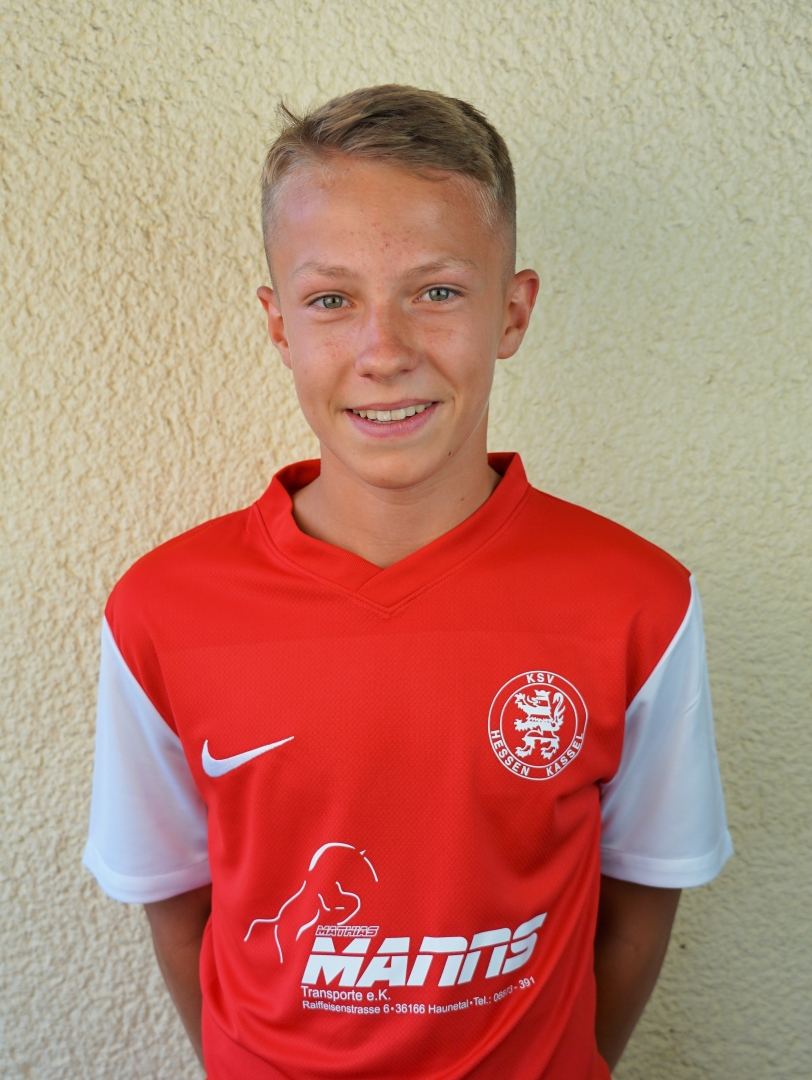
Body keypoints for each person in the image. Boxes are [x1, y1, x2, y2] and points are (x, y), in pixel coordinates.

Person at [83, 85, 733, 1080]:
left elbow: (642, 895)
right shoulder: (163, 612)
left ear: (512, 310)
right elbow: (175, 903)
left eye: (436, 292)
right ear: (278, 325)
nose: (383, 353)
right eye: (331, 300)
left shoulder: (636, 602)